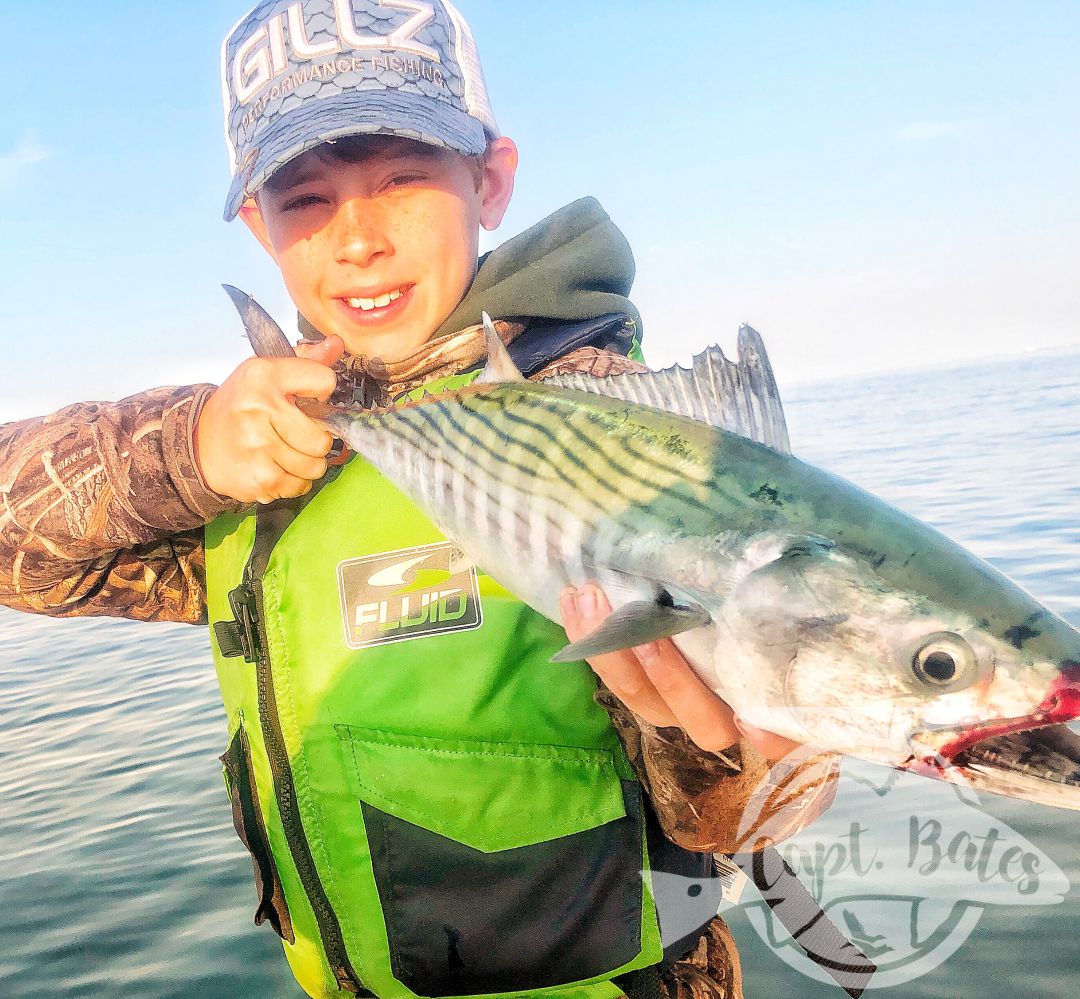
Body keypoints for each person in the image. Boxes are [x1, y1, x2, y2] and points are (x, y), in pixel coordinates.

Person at [0, 2, 838, 997]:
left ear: (489, 182)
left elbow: (736, 819)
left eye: (403, 179)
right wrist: (187, 449)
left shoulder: (612, 430)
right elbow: (27, 553)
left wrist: (755, 760)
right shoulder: (265, 456)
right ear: (257, 226)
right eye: (306, 199)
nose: (358, 238)